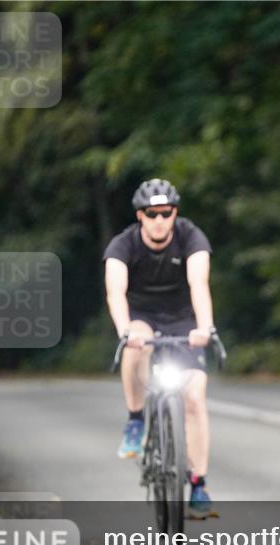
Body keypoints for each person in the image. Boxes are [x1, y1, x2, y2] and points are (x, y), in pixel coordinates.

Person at [103, 178, 216, 518]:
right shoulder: (123, 245)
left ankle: (197, 481)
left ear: (174, 213)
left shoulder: (190, 236)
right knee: (135, 344)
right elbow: (115, 292)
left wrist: (205, 327)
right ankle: (136, 419)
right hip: (141, 318)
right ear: (140, 215)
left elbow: (199, 283)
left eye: (165, 213)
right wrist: (125, 330)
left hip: (183, 320)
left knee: (194, 396)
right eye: (151, 213)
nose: (158, 220)